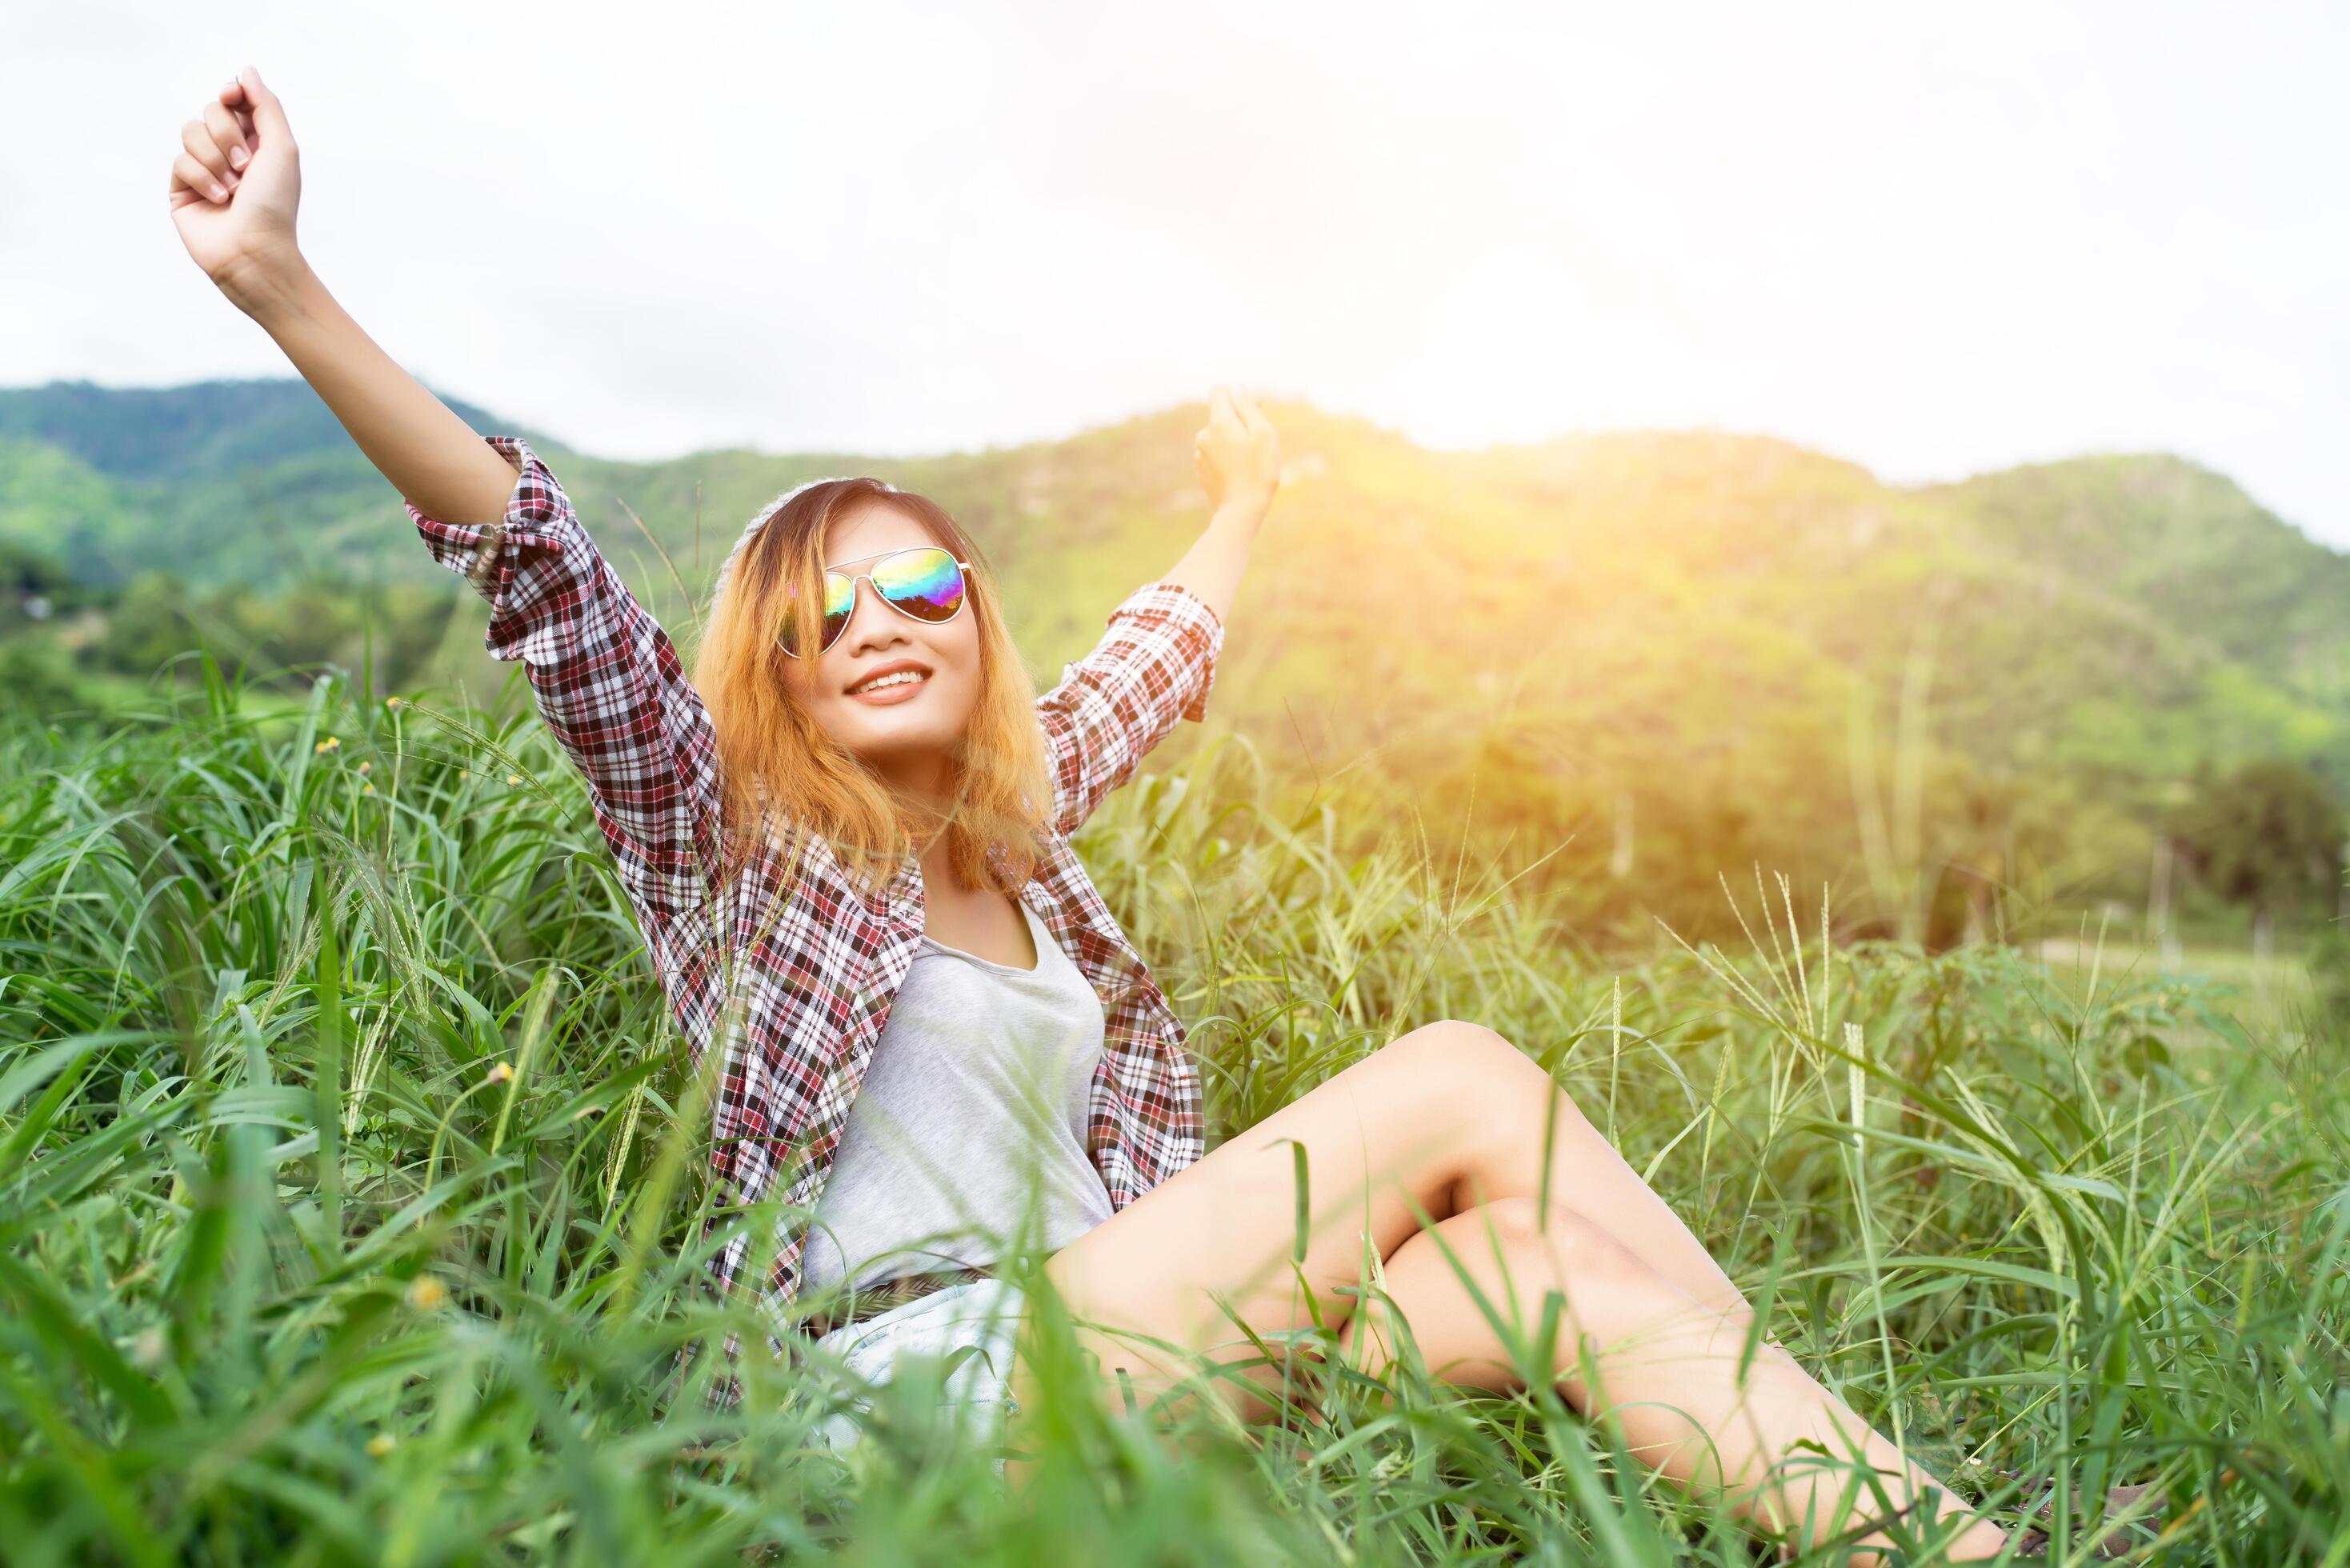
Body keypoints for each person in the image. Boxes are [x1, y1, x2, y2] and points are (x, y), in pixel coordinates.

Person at [166, 66, 2014, 1562]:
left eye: (921, 590)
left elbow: (1153, 657)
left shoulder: (1022, 840)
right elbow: (544, 574)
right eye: (822, 614)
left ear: (978, 619)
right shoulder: (723, 839)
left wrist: (1247, 501)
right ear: (773, 674)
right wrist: (284, 287)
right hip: (907, 1394)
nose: (876, 628)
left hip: (1137, 1369)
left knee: (1507, 1270)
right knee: (1454, 1070)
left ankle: (1912, 1524)